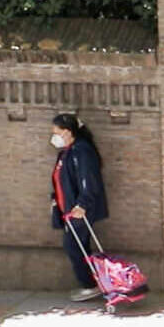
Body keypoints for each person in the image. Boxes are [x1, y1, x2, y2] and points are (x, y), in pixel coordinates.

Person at [49, 113, 111, 303]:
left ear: (68, 132)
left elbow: (88, 179)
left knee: (73, 246)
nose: (54, 137)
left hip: (79, 210)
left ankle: (90, 285)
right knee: (79, 246)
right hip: (69, 210)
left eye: (56, 132)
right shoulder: (67, 152)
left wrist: (83, 204)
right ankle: (93, 283)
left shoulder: (82, 151)